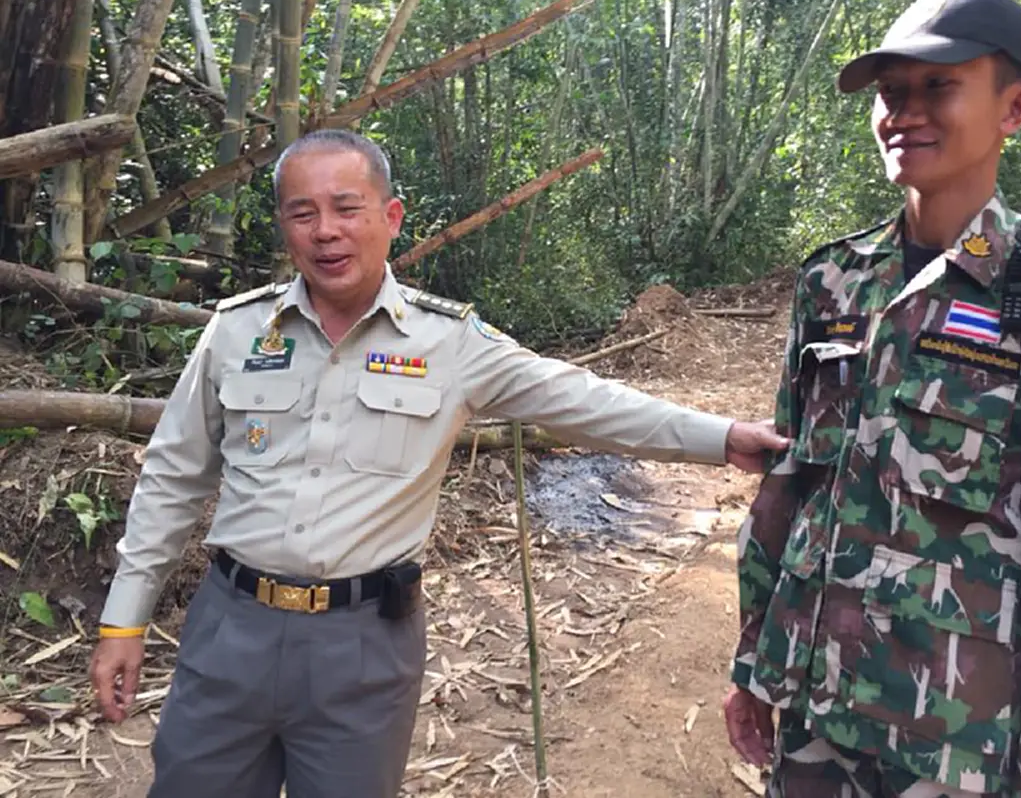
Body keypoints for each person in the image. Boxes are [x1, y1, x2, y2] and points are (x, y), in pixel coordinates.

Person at [88, 128, 790, 798]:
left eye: (346, 208)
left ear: (391, 216)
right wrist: (125, 619)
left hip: (362, 647)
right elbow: (173, 477)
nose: (325, 231)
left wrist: (720, 436)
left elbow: (579, 398)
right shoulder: (237, 330)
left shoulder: (449, 342)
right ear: (285, 226)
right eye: (303, 213)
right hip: (229, 631)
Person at [723, 0, 1021, 797]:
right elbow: (790, 492)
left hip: (958, 750)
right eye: (891, 92)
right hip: (815, 720)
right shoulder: (834, 280)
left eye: (938, 86)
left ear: (1015, 107)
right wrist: (754, 666)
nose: (903, 113)